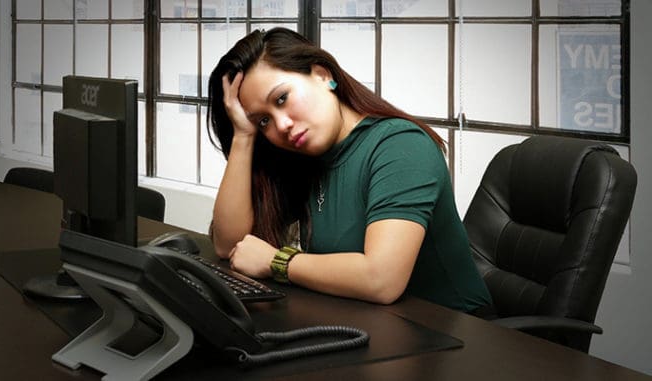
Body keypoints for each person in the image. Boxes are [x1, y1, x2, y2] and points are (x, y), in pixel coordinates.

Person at [207, 27, 492, 314]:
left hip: (457, 334)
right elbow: (231, 246)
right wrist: (244, 136)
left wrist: (276, 261)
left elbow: (381, 280)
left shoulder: (401, 146)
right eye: (264, 121)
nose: (281, 125)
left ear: (322, 75)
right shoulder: (308, 157)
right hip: (372, 325)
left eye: (282, 99)